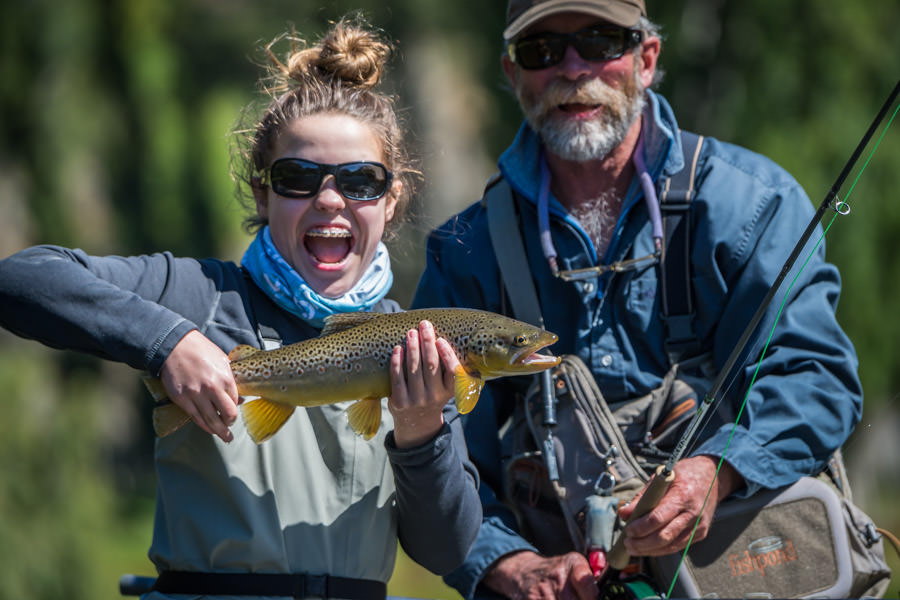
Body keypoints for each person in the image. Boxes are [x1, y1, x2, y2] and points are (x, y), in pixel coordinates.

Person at [0, 17, 481, 600]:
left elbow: (447, 551)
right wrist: (169, 341)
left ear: (390, 199)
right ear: (262, 192)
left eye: (359, 181)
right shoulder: (197, 294)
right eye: (298, 177)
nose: (329, 198)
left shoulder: (418, 348)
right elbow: (21, 280)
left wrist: (420, 429)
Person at [410, 0, 862, 598]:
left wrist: (720, 470)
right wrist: (508, 565)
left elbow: (817, 376)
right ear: (513, 74)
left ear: (647, 59)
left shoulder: (752, 205)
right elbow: (439, 452)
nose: (573, 68)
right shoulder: (465, 253)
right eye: (542, 51)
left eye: (600, 43)